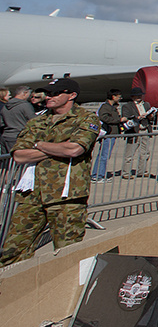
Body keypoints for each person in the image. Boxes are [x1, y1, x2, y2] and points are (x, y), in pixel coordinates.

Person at [0, 78, 100, 265]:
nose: (49, 97)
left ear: (71, 95)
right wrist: (57, 148)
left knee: (67, 255)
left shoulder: (86, 119)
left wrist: (39, 145)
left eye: (56, 93)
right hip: (31, 195)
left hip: (66, 198)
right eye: (48, 93)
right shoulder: (38, 121)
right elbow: (20, 155)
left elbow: (75, 149)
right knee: (12, 251)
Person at [94, 88, 123, 180]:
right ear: (113, 96)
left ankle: (99, 174)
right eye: (119, 97)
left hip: (112, 133)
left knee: (104, 155)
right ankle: (98, 176)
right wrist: (119, 120)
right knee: (104, 155)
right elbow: (104, 118)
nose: (120, 98)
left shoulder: (112, 107)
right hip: (108, 133)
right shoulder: (105, 107)